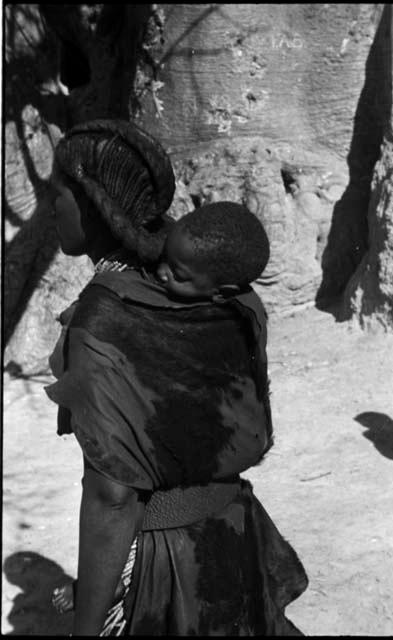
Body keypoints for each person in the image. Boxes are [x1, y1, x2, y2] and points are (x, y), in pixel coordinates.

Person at [45, 119, 308, 636]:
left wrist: (87, 627)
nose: (51, 207)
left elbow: (113, 498)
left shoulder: (107, 317)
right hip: (234, 540)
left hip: (163, 571)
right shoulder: (226, 291)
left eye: (58, 193)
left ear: (94, 203)